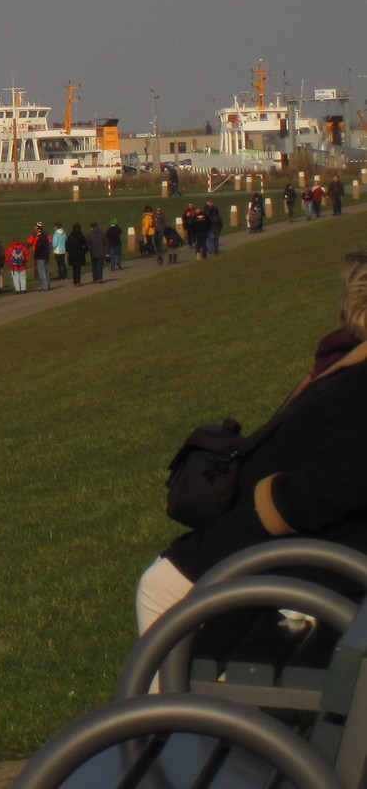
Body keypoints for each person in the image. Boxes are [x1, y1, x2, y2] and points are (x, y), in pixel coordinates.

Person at [136, 242, 367, 634]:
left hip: (322, 548)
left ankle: (189, 695)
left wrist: (256, 514)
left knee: (162, 585)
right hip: (319, 540)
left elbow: (338, 480)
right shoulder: (348, 359)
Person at [31, 225, 53, 291]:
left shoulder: (39, 239)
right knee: (46, 272)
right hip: (46, 256)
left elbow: (37, 249)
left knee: (42, 272)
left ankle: (44, 286)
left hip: (40, 257)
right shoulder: (46, 238)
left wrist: (35, 255)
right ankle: (48, 285)